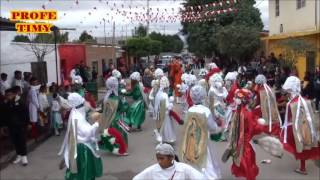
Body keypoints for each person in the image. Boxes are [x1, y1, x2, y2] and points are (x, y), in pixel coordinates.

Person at [58, 93, 103, 180]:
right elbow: (87, 132)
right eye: (83, 103)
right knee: (85, 173)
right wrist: (97, 123)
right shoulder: (77, 117)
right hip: (83, 149)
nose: (84, 104)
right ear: (79, 105)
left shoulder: (75, 114)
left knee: (80, 172)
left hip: (79, 147)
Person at [281, 76, 320, 175]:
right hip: (306, 128)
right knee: (303, 148)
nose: (288, 93)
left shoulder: (292, 104)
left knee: (292, 142)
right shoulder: (305, 100)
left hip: (297, 128)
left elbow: (290, 119)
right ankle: (302, 168)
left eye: (289, 91)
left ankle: (302, 169)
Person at [182, 85, 222, 179]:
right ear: (203, 96)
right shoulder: (206, 111)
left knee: (194, 158)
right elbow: (212, 127)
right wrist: (218, 127)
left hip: (191, 139)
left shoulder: (190, 110)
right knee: (206, 159)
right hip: (203, 140)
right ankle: (209, 176)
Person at [133, 143, 204, 180]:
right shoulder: (152, 170)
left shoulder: (182, 168)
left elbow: (201, 178)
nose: (159, 161)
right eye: (158, 158)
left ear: (172, 157)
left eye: (162, 158)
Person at [99, 77, 129, 156]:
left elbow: (103, 109)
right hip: (117, 119)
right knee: (120, 133)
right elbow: (122, 108)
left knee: (109, 133)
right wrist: (125, 104)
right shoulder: (117, 98)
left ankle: (112, 147)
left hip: (107, 119)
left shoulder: (106, 98)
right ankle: (121, 148)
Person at [154, 76, 183, 143]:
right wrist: (171, 103)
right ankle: (168, 139)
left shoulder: (158, 93)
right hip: (165, 113)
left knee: (163, 126)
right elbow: (167, 106)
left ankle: (162, 137)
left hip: (160, 113)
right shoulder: (164, 95)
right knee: (167, 127)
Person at [5, 87, 29, 166]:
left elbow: (25, 113)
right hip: (11, 126)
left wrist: (27, 123)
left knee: (21, 140)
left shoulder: (20, 102)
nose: (9, 97)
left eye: (10, 95)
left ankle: (24, 157)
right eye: (7, 95)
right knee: (15, 141)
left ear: (13, 94)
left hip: (20, 126)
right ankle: (19, 155)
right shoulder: (6, 104)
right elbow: (4, 115)